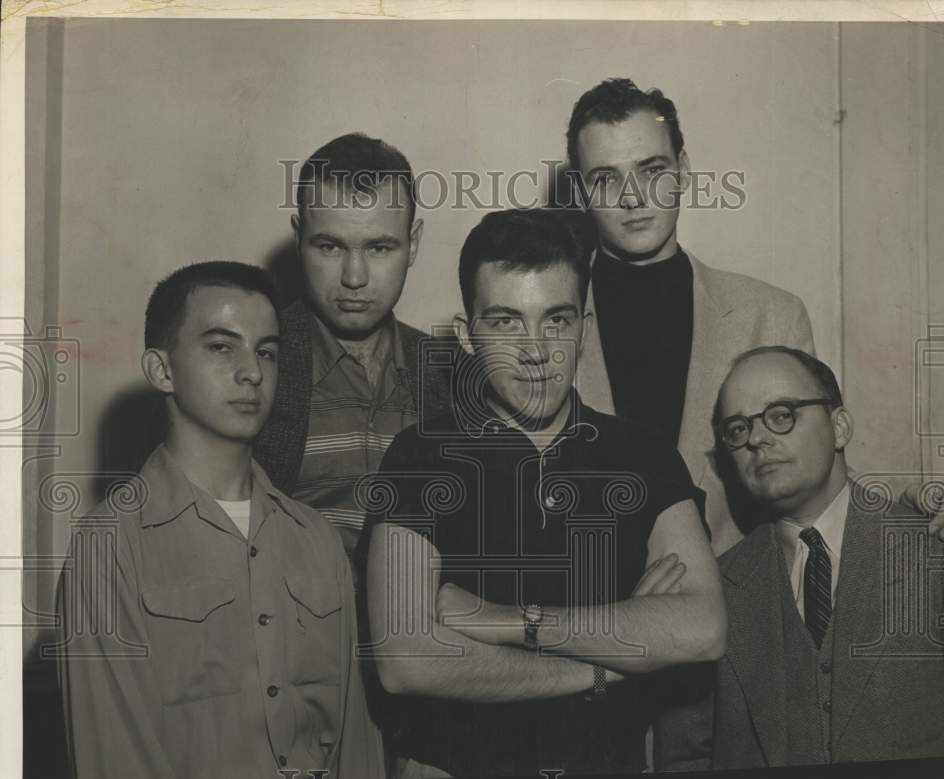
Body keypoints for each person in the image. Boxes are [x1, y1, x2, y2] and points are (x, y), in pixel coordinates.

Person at [360, 209, 725, 778]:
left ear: (585, 323)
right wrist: (615, 661)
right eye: (506, 322)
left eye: (556, 320)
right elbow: (406, 660)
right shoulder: (418, 457)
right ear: (466, 335)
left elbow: (701, 629)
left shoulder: (643, 454)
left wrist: (507, 622)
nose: (536, 349)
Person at [565, 77, 944, 554]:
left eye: (651, 170)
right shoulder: (542, 322)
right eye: (605, 178)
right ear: (579, 192)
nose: (632, 197)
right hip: (588, 607)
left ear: (684, 170)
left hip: (744, 613)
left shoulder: (771, 313)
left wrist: (907, 502)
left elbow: (815, 471)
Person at [57, 262, 384, 779]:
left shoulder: (316, 539)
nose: (252, 371)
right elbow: (113, 758)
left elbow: (357, 750)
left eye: (267, 351)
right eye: (221, 346)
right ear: (162, 370)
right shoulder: (110, 546)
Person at [656, 346, 944, 769]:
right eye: (737, 428)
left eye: (781, 414)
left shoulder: (938, 546)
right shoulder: (713, 587)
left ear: (840, 426)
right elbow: (684, 759)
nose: (755, 439)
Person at [255, 133, 451, 559]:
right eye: (330, 247)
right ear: (298, 237)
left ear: (413, 243)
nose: (355, 278)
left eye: (379, 248)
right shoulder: (252, 367)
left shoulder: (457, 376)